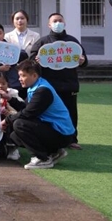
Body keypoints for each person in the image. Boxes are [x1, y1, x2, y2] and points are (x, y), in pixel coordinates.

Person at [0, 60, 75, 169]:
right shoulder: (36, 86)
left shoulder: (43, 91)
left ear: (34, 75)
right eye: (19, 75)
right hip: (55, 130)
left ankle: (43, 159)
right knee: (15, 136)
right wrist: (10, 99)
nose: (19, 79)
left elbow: (28, 113)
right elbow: (26, 108)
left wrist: (7, 120)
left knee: (19, 124)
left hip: (61, 134)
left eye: (23, 75)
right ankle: (54, 152)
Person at [30, 13, 87, 150]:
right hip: (49, 86)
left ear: (64, 23)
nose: (57, 23)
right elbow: (31, 61)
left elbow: (84, 60)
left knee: (71, 112)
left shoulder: (72, 42)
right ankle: (49, 139)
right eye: (54, 21)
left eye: (60, 20)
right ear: (49, 25)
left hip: (68, 85)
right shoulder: (43, 42)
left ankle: (71, 139)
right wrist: (36, 61)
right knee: (47, 113)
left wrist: (82, 60)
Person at [0, 72, 23, 161]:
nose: (1, 86)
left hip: (10, 121)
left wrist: (9, 112)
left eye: (3, 83)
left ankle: (12, 149)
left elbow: (20, 111)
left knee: (11, 123)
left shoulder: (13, 95)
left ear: (7, 84)